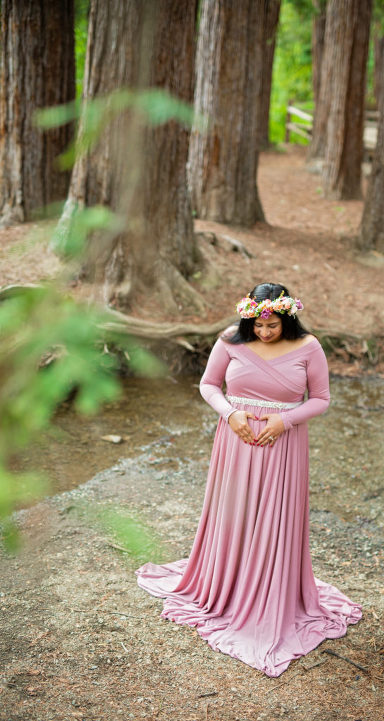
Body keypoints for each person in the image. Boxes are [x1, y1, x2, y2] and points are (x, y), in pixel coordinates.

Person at [135, 282, 362, 677]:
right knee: (235, 515)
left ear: (287, 318)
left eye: (272, 325)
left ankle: (268, 593)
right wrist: (230, 414)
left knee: (273, 519)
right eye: (257, 325)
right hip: (236, 441)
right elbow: (208, 385)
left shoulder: (309, 347)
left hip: (283, 445)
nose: (264, 332)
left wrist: (284, 420)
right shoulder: (229, 340)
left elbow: (321, 399)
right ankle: (226, 583)